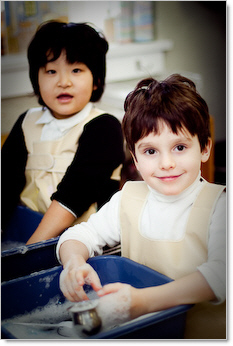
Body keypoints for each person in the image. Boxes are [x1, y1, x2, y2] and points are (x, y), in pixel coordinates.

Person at [56, 74, 226, 339]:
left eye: (179, 147)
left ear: (204, 148)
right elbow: (78, 235)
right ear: (134, 157)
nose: (166, 163)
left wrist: (141, 302)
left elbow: (221, 275)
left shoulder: (221, 206)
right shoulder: (128, 198)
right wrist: (74, 263)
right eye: (150, 151)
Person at [1, 21, 124, 245]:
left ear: (96, 80)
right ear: (36, 79)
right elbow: (4, 186)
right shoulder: (26, 122)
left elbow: (74, 197)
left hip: (88, 245)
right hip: (26, 231)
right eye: (51, 71)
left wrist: (28, 252)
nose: (63, 82)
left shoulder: (104, 127)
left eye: (76, 70)